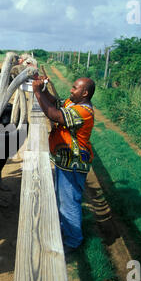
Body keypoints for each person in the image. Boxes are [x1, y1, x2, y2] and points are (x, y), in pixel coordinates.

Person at [32, 77, 95, 253]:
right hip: (65, 161)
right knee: (63, 199)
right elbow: (55, 102)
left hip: (73, 164)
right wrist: (44, 90)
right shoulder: (72, 103)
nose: (71, 90)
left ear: (85, 93)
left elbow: (54, 114)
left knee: (69, 202)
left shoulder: (83, 112)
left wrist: (37, 92)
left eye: (75, 88)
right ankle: (65, 231)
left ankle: (73, 241)